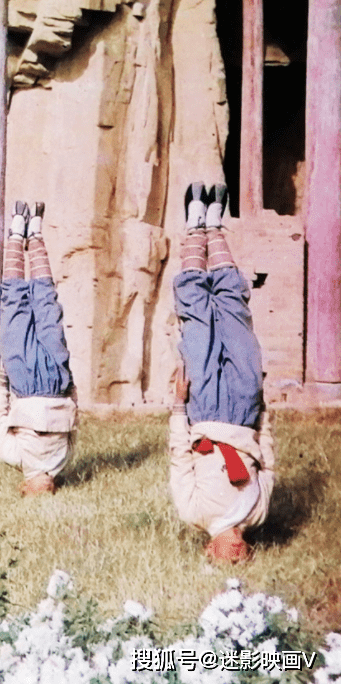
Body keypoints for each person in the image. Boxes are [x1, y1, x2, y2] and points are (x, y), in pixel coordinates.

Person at [169, 182, 275, 564]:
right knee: (234, 313)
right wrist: (263, 411)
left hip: (206, 413)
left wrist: (179, 407)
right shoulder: (258, 514)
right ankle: (216, 227)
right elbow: (268, 462)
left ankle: (195, 225)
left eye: (225, 561)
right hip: (245, 410)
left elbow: (180, 458)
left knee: (197, 319)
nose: (235, 556)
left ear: (209, 550)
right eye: (240, 560)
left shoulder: (195, 513)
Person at [0, 201, 77, 496]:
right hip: (55, 382)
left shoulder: (15, 458)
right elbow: (74, 421)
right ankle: (35, 233)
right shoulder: (62, 462)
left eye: (41, 491)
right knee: (46, 306)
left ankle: (18, 232)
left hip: (25, 381)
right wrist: (69, 382)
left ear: (24, 488)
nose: (47, 487)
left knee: (16, 306)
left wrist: (4, 378)